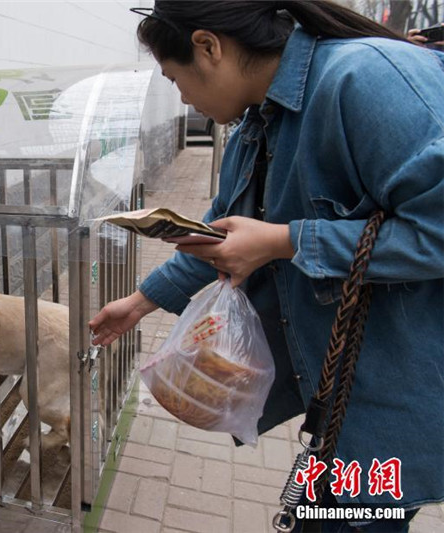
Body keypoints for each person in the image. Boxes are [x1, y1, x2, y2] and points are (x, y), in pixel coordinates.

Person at [89, 2, 444, 531]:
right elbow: (225, 229)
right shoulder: (260, 116)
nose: (181, 97)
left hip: (389, 398)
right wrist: (140, 303)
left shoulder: (367, 80)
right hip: (336, 395)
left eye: (175, 78)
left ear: (208, 47)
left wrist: (284, 241)